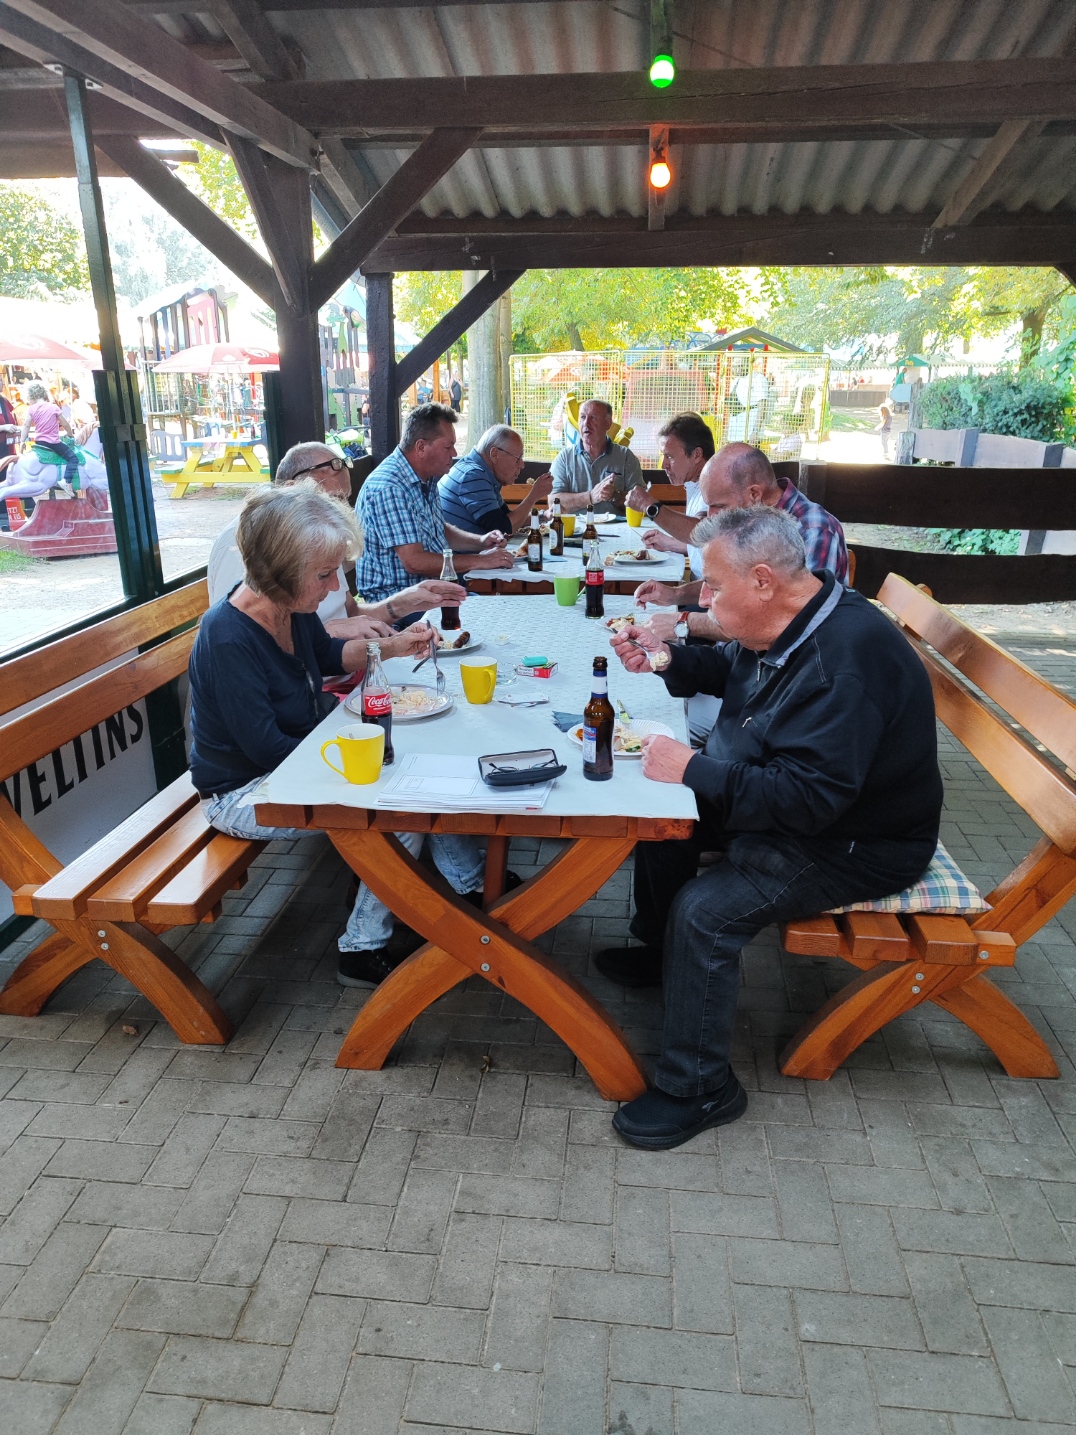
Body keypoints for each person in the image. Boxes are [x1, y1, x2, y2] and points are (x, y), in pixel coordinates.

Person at [601, 505, 943, 1150]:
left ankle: (700, 1087)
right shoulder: (797, 616)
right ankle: (660, 956)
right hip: (799, 801)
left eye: (713, 587)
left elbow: (807, 802)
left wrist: (692, 768)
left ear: (762, 580)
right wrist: (667, 659)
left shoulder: (843, 663)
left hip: (857, 842)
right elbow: (735, 664)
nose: (703, 600)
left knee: (706, 911)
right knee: (657, 822)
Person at [189, 481, 489, 988]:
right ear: (280, 570)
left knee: (413, 765)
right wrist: (363, 761)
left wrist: (395, 645)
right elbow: (267, 751)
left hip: (292, 764)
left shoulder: (288, 607)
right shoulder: (227, 638)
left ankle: (469, 885)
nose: (334, 589)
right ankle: (362, 947)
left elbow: (331, 656)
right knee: (395, 808)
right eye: (324, 575)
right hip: (243, 793)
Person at [207, 441, 465, 641]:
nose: (340, 513)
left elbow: (350, 612)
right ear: (290, 488)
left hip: (342, 663)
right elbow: (247, 638)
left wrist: (407, 600)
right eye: (330, 500)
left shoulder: (319, 535)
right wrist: (328, 632)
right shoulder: (251, 537)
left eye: (344, 500)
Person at [633, 442, 849, 643]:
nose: (711, 516)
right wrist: (675, 595)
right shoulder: (751, 518)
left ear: (754, 494)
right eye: (708, 507)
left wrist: (684, 623)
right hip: (739, 650)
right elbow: (728, 586)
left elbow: (789, 622)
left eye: (719, 506)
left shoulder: (814, 530)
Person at [355, 403, 513, 604]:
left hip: (432, 592)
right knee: (494, 611)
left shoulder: (425, 478)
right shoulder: (389, 487)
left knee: (500, 607)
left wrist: (480, 541)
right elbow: (415, 561)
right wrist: (481, 560)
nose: (454, 453)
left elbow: (439, 529)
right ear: (421, 447)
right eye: (448, 446)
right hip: (397, 602)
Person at [623, 412, 714, 573]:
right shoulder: (694, 484)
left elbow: (701, 532)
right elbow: (709, 543)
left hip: (707, 587)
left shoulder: (714, 486)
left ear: (697, 455)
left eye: (669, 456)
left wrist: (648, 505)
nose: (664, 465)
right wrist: (670, 543)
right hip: (701, 583)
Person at [439, 424, 553, 536]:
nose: (522, 465)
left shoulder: (482, 473)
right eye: (518, 458)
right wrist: (534, 495)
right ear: (494, 454)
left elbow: (508, 518)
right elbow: (504, 529)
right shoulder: (472, 476)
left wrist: (543, 516)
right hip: (455, 549)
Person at [550, 398, 643, 513]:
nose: (586, 423)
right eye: (582, 417)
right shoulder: (564, 458)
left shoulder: (625, 457)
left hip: (616, 524)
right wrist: (590, 497)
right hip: (576, 524)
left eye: (593, 417)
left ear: (608, 424)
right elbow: (553, 502)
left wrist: (616, 495)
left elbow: (641, 502)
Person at [20, 381, 79, 486]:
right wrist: (70, 434)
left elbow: (26, 426)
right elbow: (65, 423)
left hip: (39, 442)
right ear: (44, 394)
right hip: (53, 442)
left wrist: (22, 441)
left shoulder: (31, 409)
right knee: (73, 458)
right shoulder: (54, 407)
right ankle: (67, 482)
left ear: (31, 397)